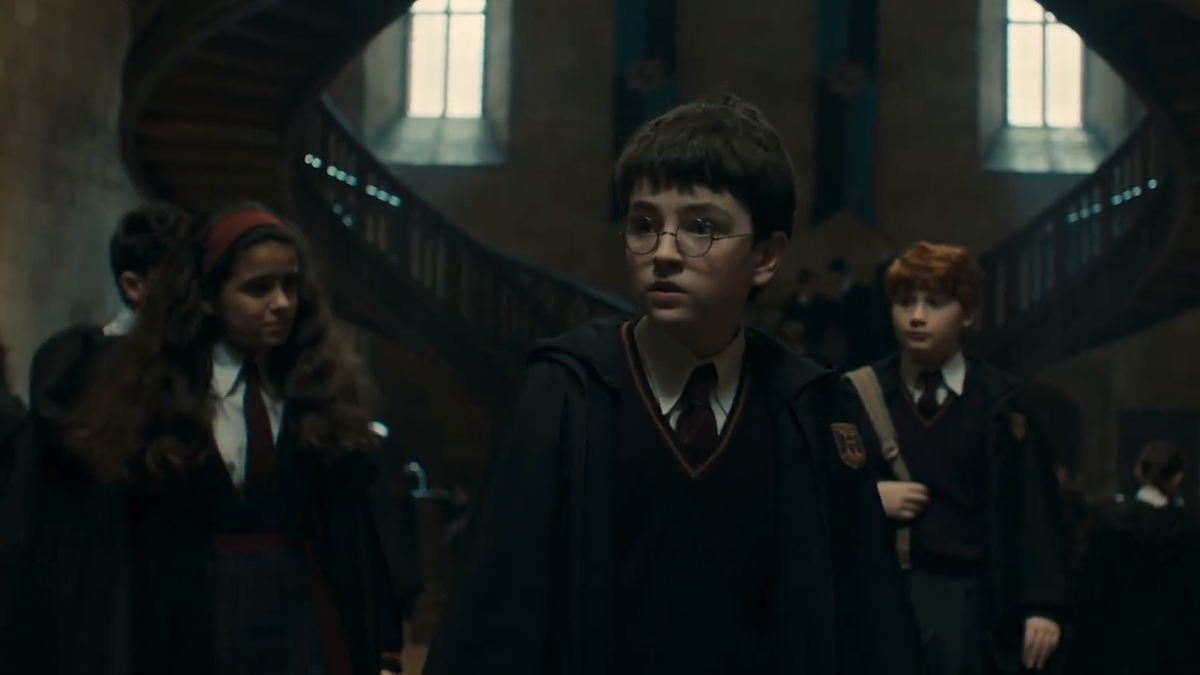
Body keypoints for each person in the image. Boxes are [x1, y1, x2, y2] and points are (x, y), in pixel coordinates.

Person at [421, 94, 924, 675]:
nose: (662, 252)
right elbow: (495, 609)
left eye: (700, 228)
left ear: (766, 256)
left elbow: (867, 624)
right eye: (643, 225)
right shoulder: (567, 392)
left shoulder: (809, 408)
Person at [8, 203, 412, 675]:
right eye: (258, 288)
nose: (281, 302)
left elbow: (350, 540)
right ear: (208, 297)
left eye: (290, 285)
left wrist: (373, 646)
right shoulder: (157, 393)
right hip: (191, 621)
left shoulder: (318, 393)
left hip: (298, 622)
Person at [840, 241, 1068, 675]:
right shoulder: (859, 395)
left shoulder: (1001, 401)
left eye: (934, 303)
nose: (916, 316)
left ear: (966, 314)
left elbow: (1033, 508)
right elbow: (815, 490)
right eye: (905, 302)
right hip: (883, 594)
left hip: (974, 599)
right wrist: (868, 497)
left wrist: (1042, 605)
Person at [28, 201, 192, 446]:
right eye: (184, 280)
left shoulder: (209, 356)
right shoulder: (73, 365)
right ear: (134, 286)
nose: (198, 295)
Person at [1067, 441, 1200, 675]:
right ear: (1178, 477)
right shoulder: (1188, 531)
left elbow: (1093, 592)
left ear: (1139, 471)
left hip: (1116, 650)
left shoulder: (1110, 523)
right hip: (1171, 653)